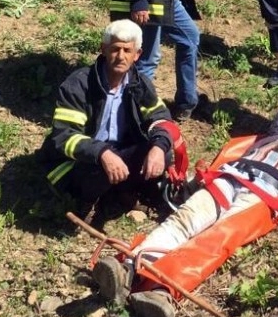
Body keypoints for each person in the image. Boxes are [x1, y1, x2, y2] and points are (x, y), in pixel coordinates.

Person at [92, 106, 278, 317]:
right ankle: (127, 267)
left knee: (214, 240)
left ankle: (162, 292)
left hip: (263, 196)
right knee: (185, 219)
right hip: (233, 178)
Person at [41, 20, 182, 225]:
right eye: (115, 49)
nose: (121, 56)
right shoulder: (79, 84)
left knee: (164, 151)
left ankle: (124, 192)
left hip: (118, 154)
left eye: (127, 50)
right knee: (99, 164)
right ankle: (84, 202)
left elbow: (161, 118)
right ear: (103, 49)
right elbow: (64, 137)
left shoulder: (139, 83)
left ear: (137, 55)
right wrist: (102, 152)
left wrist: (159, 148)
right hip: (76, 164)